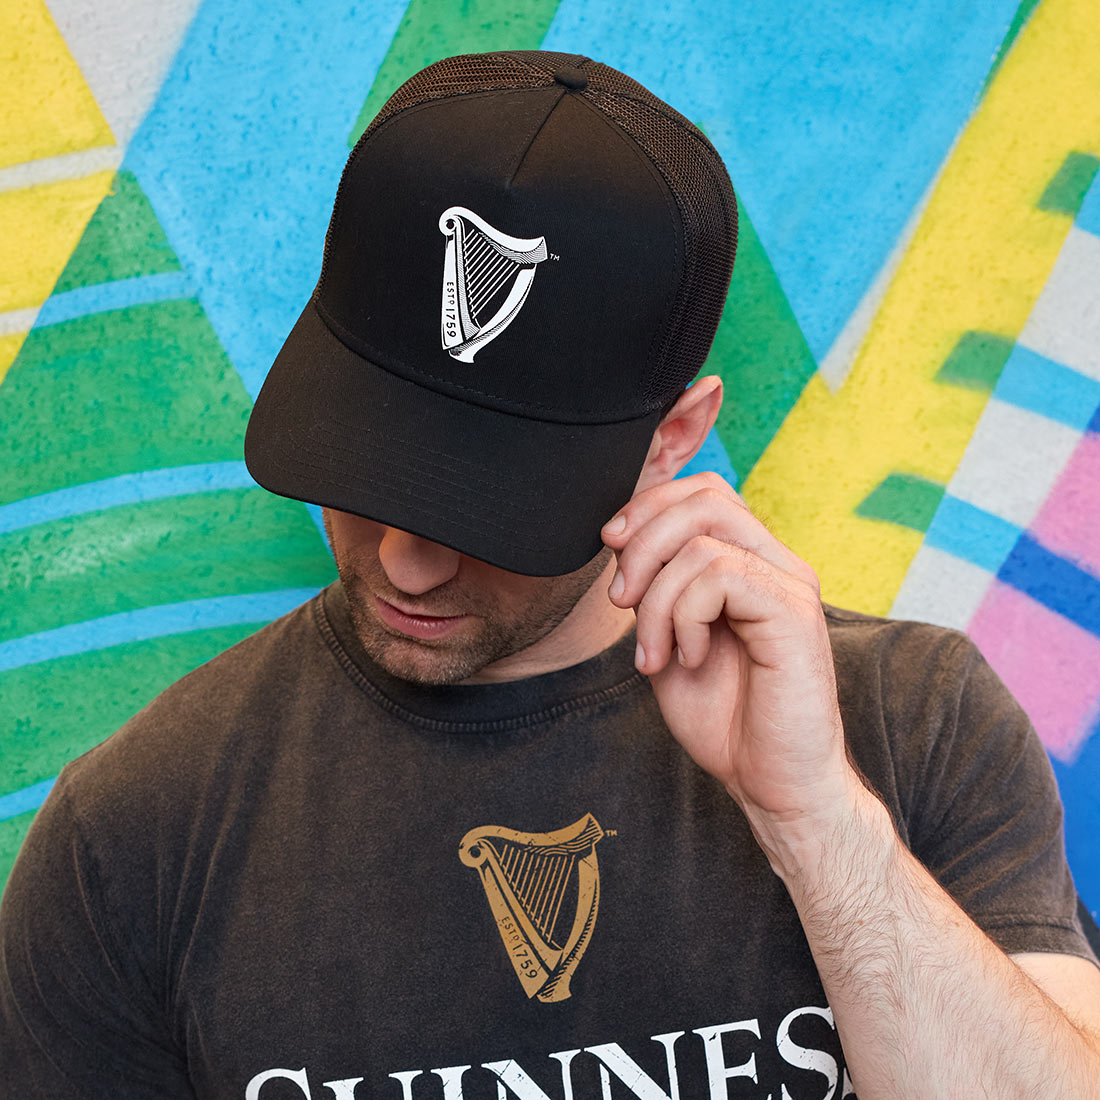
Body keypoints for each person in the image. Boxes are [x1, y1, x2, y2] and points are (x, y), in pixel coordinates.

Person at [2, 49, 1099, 1100]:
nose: (404, 557)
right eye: (369, 462)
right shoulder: (135, 834)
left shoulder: (910, 721)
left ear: (672, 439)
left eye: (486, 503)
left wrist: (817, 823)